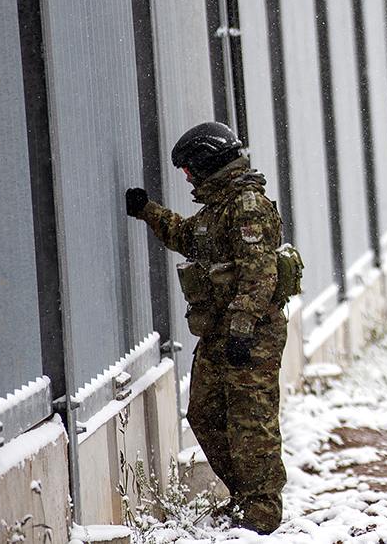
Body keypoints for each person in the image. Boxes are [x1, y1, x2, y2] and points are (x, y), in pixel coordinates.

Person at [125, 122, 287, 534]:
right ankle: (244, 497)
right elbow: (189, 237)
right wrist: (148, 210)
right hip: (220, 332)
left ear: (208, 163)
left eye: (189, 169)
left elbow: (260, 275)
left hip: (251, 335)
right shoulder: (219, 208)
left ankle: (262, 511)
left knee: (251, 421)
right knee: (205, 413)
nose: (187, 178)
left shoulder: (246, 206)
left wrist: (242, 328)